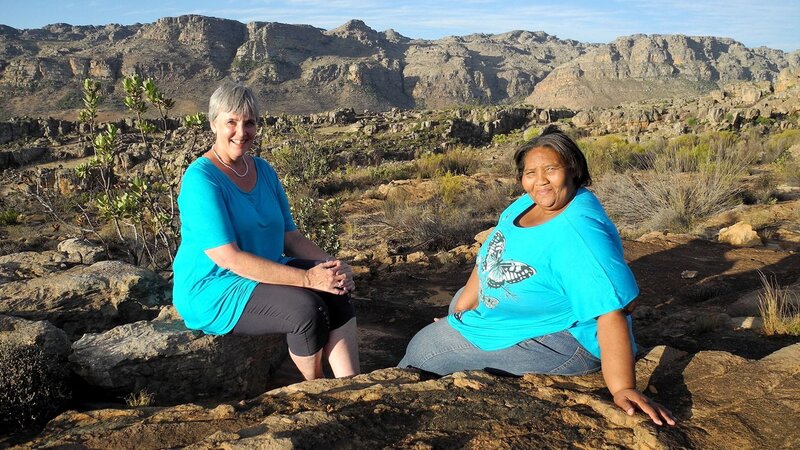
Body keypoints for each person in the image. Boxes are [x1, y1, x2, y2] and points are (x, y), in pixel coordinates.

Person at [398, 125, 675, 426]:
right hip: (520, 310)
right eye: (530, 172)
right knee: (456, 304)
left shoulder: (578, 235)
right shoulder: (528, 203)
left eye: (551, 169)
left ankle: (396, 402)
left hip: (564, 342)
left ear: (573, 170)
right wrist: (461, 316)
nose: (539, 181)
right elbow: (490, 257)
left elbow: (612, 312)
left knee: (425, 347)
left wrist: (623, 388)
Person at [173, 80, 359, 381]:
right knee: (306, 310)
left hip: (266, 269)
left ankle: (352, 384)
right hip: (216, 285)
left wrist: (332, 265)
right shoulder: (201, 180)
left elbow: (291, 238)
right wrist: (308, 278)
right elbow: (229, 258)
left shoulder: (263, 170)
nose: (241, 132)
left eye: (249, 123)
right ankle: (319, 391)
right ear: (213, 124)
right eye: (231, 122)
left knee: (335, 291)